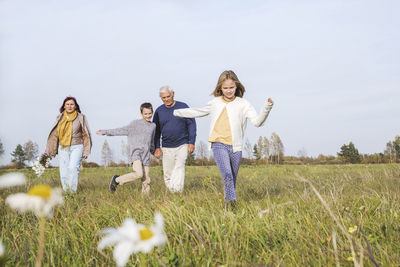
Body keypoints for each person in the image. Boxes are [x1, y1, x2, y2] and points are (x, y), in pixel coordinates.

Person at [173, 70, 274, 208]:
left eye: (231, 87)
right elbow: (198, 111)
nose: (228, 91)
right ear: (220, 88)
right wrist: (177, 112)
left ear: (236, 86)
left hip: (235, 147)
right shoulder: (215, 103)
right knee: (227, 174)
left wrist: (267, 108)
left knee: (232, 178)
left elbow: (257, 122)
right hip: (218, 143)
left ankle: (228, 203)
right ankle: (232, 205)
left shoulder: (243, 104)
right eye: (225, 88)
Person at [97, 102, 156, 194]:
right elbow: (120, 130)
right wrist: (105, 132)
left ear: (152, 112)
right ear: (141, 114)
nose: (148, 115)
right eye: (145, 114)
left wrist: (154, 152)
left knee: (146, 179)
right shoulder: (135, 124)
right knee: (139, 174)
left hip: (146, 155)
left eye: (150, 113)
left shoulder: (153, 126)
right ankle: (117, 180)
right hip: (135, 153)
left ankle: (145, 201)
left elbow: (151, 141)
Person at [153, 86, 196, 193]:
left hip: (182, 143)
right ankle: (173, 194)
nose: (166, 99)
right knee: (168, 173)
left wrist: (191, 142)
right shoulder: (159, 111)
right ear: (161, 98)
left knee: (179, 167)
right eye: (163, 98)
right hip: (167, 146)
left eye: (168, 96)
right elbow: (156, 131)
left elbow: (192, 125)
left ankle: (178, 192)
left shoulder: (183, 106)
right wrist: (157, 147)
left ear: (173, 94)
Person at [45, 96, 92, 193]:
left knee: (73, 168)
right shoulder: (60, 117)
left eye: (72, 104)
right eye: (67, 104)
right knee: (64, 172)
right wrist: (50, 149)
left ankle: (72, 192)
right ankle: (67, 192)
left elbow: (86, 134)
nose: (70, 106)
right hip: (63, 147)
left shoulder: (81, 117)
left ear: (75, 106)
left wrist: (86, 150)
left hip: (77, 146)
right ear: (64, 106)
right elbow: (55, 135)